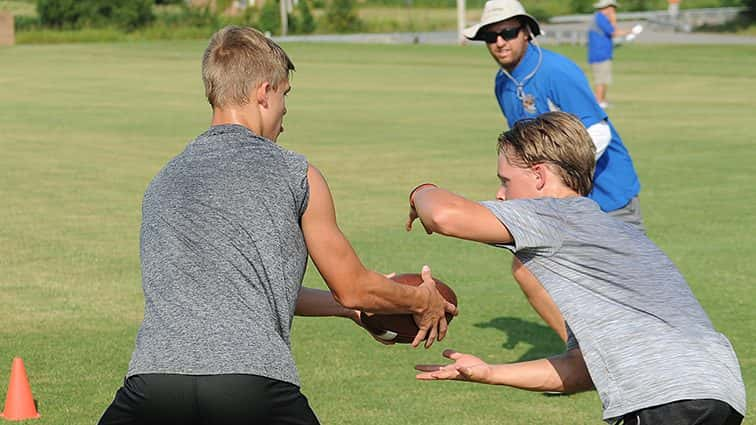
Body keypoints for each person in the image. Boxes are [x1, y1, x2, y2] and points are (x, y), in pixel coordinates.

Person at [98, 26, 456, 425]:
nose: (285, 113)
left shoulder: (162, 180)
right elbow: (353, 286)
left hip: (153, 383)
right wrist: (420, 301)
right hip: (252, 383)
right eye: (285, 95)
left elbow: (255, 284)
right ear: (263, 92)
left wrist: (353, 313)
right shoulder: (296, 173)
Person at [408, 111, 746, 425]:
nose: (500, 194)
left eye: (506, 181)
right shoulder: (615, 237)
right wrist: (489, 372)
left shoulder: (553, 215)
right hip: (718, 390)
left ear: (539, 176)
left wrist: (420, 191)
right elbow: (583, 369)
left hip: (662, 397)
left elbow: (445, 215)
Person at [463, 0, 641, 342]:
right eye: (490, 36)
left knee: (629, 288)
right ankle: (584, 354)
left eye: (509, 32)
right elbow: (525, 152)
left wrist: (556, 179)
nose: (500, 42)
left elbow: (598, 133)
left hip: (607, 194)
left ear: (527, 32)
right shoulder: (503, 83)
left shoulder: (557, 72)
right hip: (556, 204)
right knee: (528, 270)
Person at [588, 0, 637, 108]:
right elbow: (613, 32)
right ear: (607, 7)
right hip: (599, 53)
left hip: (604, 53)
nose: (613, 11)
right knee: (600, 79)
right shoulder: (600, 18)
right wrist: (630, 31)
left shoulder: (601, 18)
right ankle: (599, 101)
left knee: (604, 78)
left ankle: (602, 100)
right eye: (612, 8)